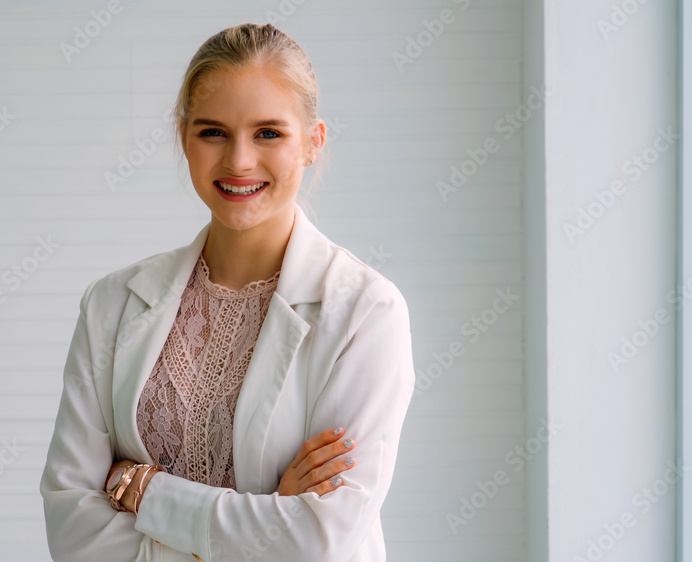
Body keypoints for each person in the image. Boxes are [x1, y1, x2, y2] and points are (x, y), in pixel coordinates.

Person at [40, 22, 415, 561]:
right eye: (213, 132)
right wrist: (262, 525)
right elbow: (72, 532)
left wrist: (149, 494)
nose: (239, 161)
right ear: (183, 135)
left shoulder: (365, 312)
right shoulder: (111, 304)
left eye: (269, 133)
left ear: (313, 142)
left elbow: (319, 540)